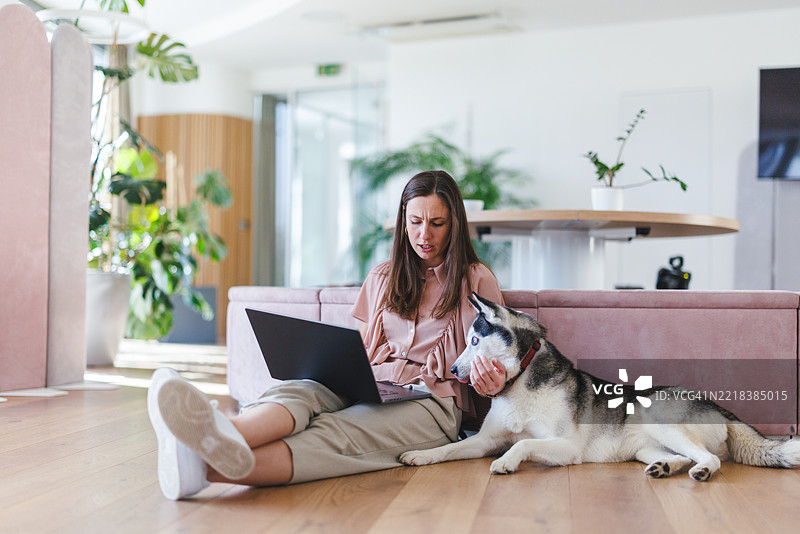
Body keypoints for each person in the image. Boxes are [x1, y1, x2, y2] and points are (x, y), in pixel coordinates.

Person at [147, 169, 506, 500]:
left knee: (335, 432)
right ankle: (219, 431)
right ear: (403, 222)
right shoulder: (382, 277)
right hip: (369, 383)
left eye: (437, 223)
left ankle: (199, 465)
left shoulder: (476, 280)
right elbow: (362, 347)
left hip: (430, 402)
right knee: (299, 390)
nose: (423, 235)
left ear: (455, 225)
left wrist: (490, 382)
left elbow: (497, 366)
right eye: (414, 222)